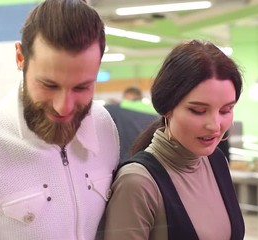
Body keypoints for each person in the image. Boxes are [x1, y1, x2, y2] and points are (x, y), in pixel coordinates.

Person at [0, 0, 119, 239]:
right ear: (20, 57)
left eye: (82, 87)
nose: (63, 107)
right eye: (48, 85)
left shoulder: (103, 127)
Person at [103, 40, 245, 240]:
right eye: (198, 111)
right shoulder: (138, 183)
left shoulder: (216, 162)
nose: (214, 125)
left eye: (226, 110)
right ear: (168, 108)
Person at [105, 86, 159, 163]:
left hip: (124, 160)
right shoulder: (156, 112)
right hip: (148, 161)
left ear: (126, 97)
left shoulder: (116, 110)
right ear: (140, 97)